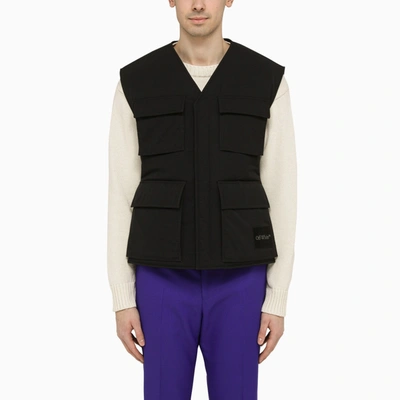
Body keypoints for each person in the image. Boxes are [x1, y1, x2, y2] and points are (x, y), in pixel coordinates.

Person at [107, 1, 297, 399]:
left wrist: (276, 297)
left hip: (241, 280)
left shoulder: (266, 80)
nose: (197, 4)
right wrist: (122, 297)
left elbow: (281, 192)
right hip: (160, 280)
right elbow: (121, 193)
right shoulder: (136, 82)